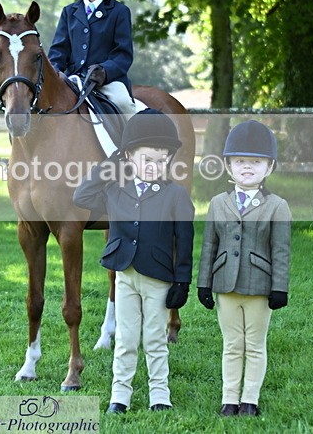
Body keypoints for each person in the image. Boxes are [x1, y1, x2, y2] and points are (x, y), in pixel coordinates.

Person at [73, 108, 194, 413]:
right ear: (129, 158)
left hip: (158, 278)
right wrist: (112, 161)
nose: (154, 166)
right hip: (125, 275)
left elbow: (186, 242)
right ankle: (120, 395)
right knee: (126, 339)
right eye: (146, 160)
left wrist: (183, 281)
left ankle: (159, 395)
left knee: (154, 339)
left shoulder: (177, 196)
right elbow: (81, 196)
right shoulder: (115, 192)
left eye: (160, 160)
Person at [197, 120, 292, 417]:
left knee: (255, 344)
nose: (247, 168)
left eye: (255, 162)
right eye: (240, 162)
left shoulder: (277, 206)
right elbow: (209, 246)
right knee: (231, 344)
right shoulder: (216, 203)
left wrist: (280, 287)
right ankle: (229, 399)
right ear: (228, 166)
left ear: (269, 167)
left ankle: (250, 399)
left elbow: (281, 250)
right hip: (225, 284)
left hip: (259, 287)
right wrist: (203, 283)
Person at [48, 0, 137, 115]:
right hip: (72, 79)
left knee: (124, 104)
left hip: (107, 82)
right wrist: (53, 74)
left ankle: (134, 141)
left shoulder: (119, 12)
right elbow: (59, 50)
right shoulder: (68, 12)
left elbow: (123, 54)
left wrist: (104, 71)